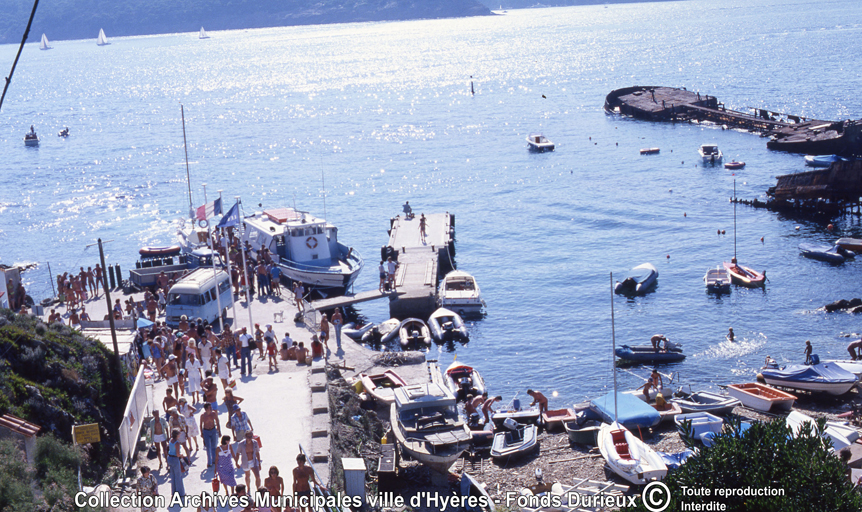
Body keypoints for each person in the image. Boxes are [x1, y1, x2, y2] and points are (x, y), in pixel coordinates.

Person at [166, 429, 186, 498]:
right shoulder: (177, 443)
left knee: (173, 476)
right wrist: (182, 455)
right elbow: (177, 454)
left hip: (169, 458)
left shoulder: (171, 440)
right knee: (178, 476)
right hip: (175, 459)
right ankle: (181, 493)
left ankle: (174, 492)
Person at [200, 402, 220, 468]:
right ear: (206, 409)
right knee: (208, 447)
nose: (211, 408)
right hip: (206, 431)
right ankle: (209, 462)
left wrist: (219, 431)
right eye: (209, 408)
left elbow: (217, 422)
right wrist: (201, 433)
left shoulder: (214, 414)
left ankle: (214, 460)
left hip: (213, 430)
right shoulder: (203, 416)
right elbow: (201, 425)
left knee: (214, 446)